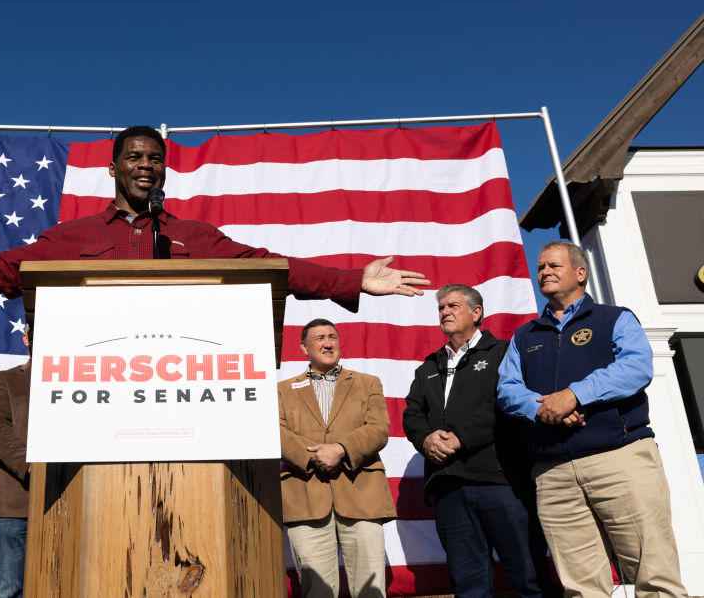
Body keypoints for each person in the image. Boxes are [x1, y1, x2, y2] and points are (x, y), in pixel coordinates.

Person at [0, 126, 429, 308]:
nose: (147, 166)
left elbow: (272, 267)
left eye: (156, 160)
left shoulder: (193, 237)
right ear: (114, 169)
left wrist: (353, 281)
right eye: (135, 158)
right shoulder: (73, 238)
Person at [497, 242, 688, 596]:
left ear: (580, 273)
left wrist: (575, 394)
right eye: (540, 268)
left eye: (553, 265)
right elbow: (508, 390)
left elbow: (635, 367)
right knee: (581, 587)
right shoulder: (524, 337)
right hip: (553, 473)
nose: (544, 272)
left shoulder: (614, 318)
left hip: (619, 459)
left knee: (654, 574)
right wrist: (543, 409)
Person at [402, 284, 559, 598]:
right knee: (469, 586)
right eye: (441, 308)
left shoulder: (504, 352)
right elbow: (412, 413)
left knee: (530, 578)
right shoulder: (429, 366)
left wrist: (460, 438)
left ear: (476, 313)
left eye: (453, 306)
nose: (445, 312)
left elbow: (504, 405)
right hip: (449, 487)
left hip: (502, 483)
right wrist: (426, 438)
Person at [278, 318, 395, 598]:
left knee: (371, 589)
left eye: (332, 337)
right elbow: (275, 432)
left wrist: (341, 449)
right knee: (317, 591)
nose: (328, 343)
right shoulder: (281, 390)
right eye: (319, 338)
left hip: (362, 496)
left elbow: (379, 429)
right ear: (303, 347)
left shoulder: (368, 383)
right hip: (305, 497)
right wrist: (313, 457)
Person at [0, 325, 33, 597]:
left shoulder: (81, 379)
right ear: (26, 338)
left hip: (68, 496)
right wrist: (34, 466)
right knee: (11, 590)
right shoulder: (7, 379)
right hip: (16, 498)